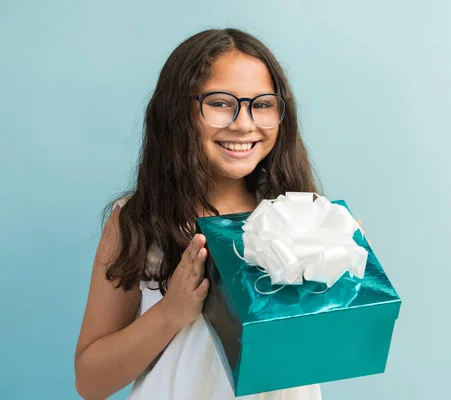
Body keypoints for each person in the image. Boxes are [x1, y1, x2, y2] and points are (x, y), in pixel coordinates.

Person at [74, 28, 322, 400]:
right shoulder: (139, 222)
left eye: (263, 103)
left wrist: (341, 276)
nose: (243, 123)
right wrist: (172, 311)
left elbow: (321, 349)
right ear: (178, 110)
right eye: (220, 103)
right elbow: (90, 383)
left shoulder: (301, 216)